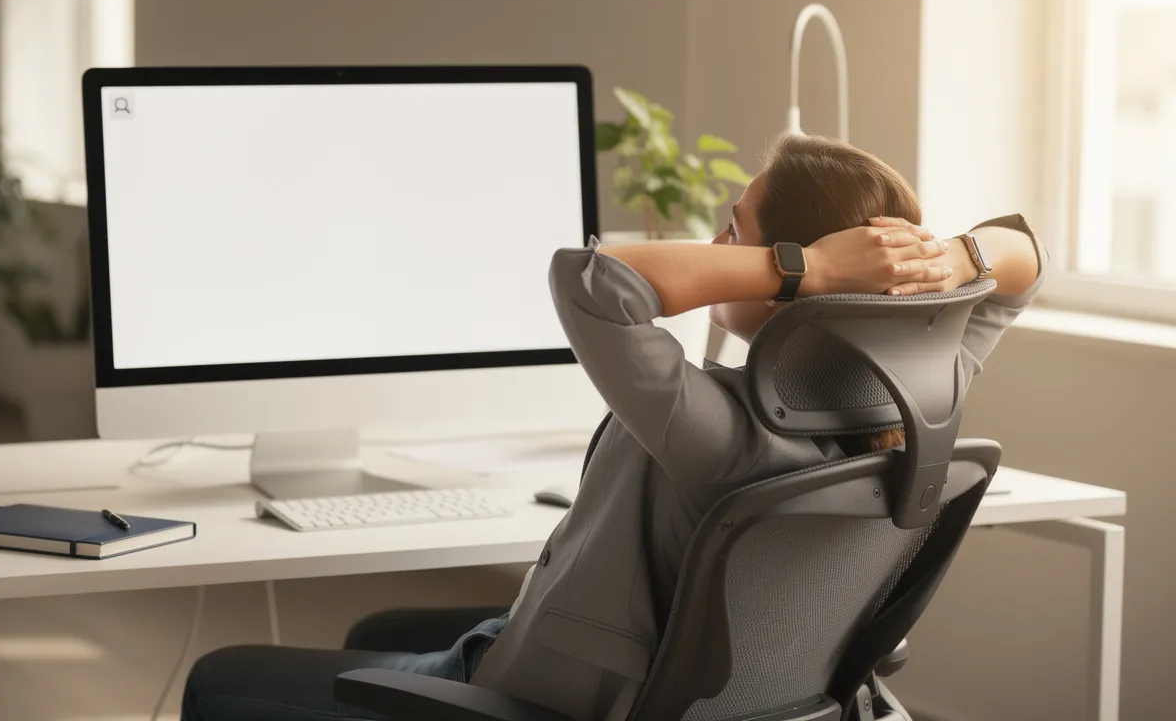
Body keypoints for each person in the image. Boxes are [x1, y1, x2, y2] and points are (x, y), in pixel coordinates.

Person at [180, 133, 1047, 721]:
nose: (721, 245)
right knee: (375, 632)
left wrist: (806, 265)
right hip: (696, 679)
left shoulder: (722, 431)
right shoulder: (927, 404)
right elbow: (1021, 253)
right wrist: (953, 258)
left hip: (576, 697)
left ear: (798, 276)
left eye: (737, 233)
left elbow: (592, 279)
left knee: (223, 679)